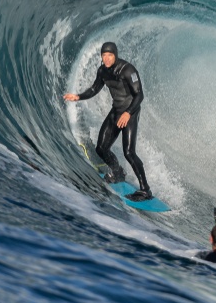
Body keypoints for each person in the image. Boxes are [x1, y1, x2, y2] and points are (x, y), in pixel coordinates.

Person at [63, 42, 153, 201]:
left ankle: (145, 190)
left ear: (115, 55)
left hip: (130, 112)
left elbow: (139, 95)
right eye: (104, 55)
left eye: (110, 55)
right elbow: (94, 89)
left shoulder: (128, 70)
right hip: (116, 111)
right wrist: (78, 97)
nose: (106, 58)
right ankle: (118, 173)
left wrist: (128, 113)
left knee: (129, 153)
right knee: (101, 148)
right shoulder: (103, 71)